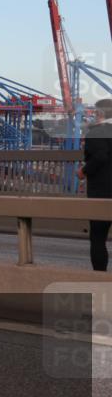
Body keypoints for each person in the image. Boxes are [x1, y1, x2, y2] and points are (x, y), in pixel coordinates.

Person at [78, 99, 112, 271]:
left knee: (98, 237)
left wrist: (84, 171)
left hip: (103, 193)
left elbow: (100, 156)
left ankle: (100, 277)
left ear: (100, 114)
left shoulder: (97, 133)